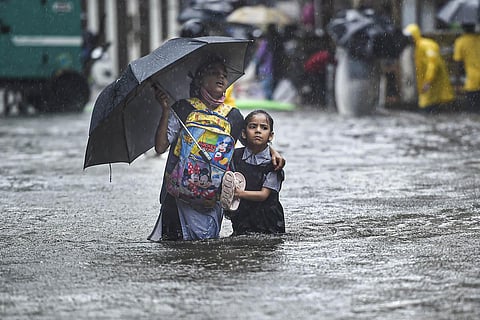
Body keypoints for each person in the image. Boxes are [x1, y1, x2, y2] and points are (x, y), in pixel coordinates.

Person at [148, 57, 285, 241]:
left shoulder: (233, 117)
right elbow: (160, 147)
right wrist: (165, 110)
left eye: (224, 75)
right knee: (177, 252)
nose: (221, 78)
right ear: (200, 80)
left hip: (212, 200)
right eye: (214, 73)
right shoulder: (182, 109)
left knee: (207, 249)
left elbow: (253, 143)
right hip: (177, 199)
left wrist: (273, 152)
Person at [222, 110, 285, 235]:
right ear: (244, 134)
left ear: (270, 136)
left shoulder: (273, 164)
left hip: (268, 221)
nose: (258, 131)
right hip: (243, 218)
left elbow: (263, 195)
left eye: (264, 127)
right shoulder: (235, 156)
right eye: (253, 126)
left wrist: (238, 193)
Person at [403, 24, 454, 113]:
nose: (409, 39)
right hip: (427, 86)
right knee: (429, 108)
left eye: (410, 36)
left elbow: (432, 65)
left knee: (427, 108)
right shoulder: (417, 48)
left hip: (433, 84)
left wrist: (427, 81)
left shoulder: (427, 45)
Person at [453, 23, 480, 112]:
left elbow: (457, 63)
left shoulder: (460, 42)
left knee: (473, 112)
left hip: (472, 82)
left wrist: (457, 83)